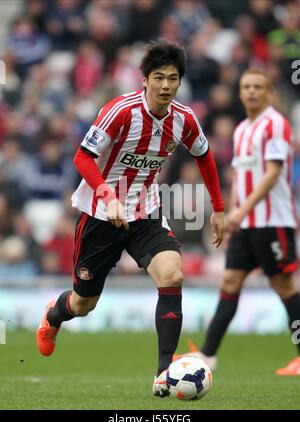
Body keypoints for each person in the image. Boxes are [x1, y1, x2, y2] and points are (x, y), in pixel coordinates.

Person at [36, 38, 224, 396]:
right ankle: (53, 316)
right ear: (144, 79)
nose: (166, 85)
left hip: (146, 211)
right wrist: (108, 195)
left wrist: (218, 207)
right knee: (84, 303)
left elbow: (205, 156)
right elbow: (81, 157)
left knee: (172, 274)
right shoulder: (120, 110)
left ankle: (163, 374)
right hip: (100, 215)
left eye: (172, 78)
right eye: (158, 77)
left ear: (180, 82)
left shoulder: (184, 119)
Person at [186, 69, 300, 376]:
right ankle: (208, 356)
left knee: (283, 284)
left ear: (269, 93)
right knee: (229, 282)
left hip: (272, 220)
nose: (251, 91)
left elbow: (272, 173)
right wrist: (233, 211)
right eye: (246, 86)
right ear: (240, 93)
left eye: (257, 86)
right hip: (247, 222)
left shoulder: (275, 124)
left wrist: (242, 209)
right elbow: (239, 175)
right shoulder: (241, 130)